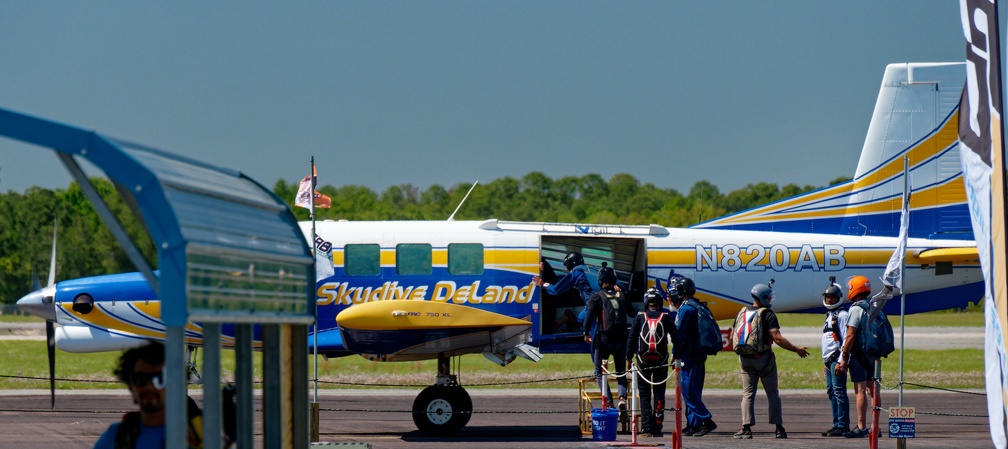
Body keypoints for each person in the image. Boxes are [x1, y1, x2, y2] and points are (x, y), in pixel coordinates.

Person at [731, 283, 809, 440]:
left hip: (745, 359)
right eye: (769, 297)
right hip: (764, 359)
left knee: (748, 393)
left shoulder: (742, 312)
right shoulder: (768, 314)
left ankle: (746, 428)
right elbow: (777, 338)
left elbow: (735, 333)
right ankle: (778, 428)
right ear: (763, 297)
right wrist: (796, 349)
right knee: (772, 393)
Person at [93, 340, 203, 449]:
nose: (149, 386)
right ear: (131, 386)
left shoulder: (198, 437)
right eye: (141, 379)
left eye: (159, 379)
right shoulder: (115, 437)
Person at [626, 287, 679, 437]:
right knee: (659, 392)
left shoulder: (640, 316)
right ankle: (658, 425)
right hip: (661, 360)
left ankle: (646, 428)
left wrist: (628, 357)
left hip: (642, 361)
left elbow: (631, 339)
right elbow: (676, 338)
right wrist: (676, 355)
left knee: (644, 394)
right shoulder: (666, 317)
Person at [582, 266, 633, 418]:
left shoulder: (596, 297)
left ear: (600, 281)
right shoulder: (621, 295)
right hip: (620, 340)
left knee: (599, 372)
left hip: (602, 340)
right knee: (621, 373)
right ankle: (622, 399)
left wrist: (586, 333)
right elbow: (632, 312)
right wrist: (623, 294)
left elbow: (588, 318)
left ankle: (609, 402)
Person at [671, 276, 717, 437]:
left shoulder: (685, 309)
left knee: (688, 391)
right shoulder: (699, 305)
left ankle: (706, 420)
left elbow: (679, 335)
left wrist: (674, 354)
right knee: (694, 390)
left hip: (688, 356)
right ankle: (693, 424)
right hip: (699, 354)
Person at [833, 275, 876, 438]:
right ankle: (875, 425)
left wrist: (844, 356)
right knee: (873, 390)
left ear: (854, 289)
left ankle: (861, 426)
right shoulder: (873, 305)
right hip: (873, 354)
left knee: (860, 390)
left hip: (859, 355)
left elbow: (850, 335)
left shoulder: (856, 309)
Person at [820, 282, 851, 437]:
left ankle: (843, 425)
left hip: (837, 360)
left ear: (839, 298)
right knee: (832, 392)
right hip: (829, 361)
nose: (830, 300)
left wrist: (842, 360)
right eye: (827, 297)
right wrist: (826, 363)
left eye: (832, 297)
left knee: (839, 392)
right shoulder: (830, 315)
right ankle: (836, 424)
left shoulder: (842, 315)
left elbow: (846, 339)